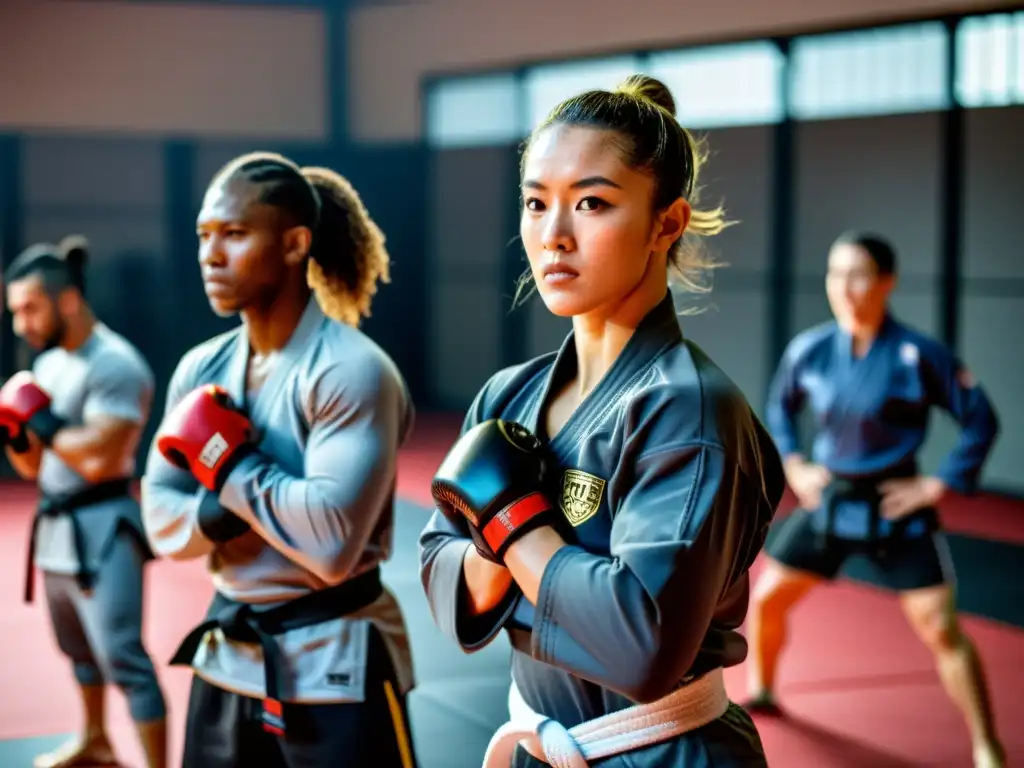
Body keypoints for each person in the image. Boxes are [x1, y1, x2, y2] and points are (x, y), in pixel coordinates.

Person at [419, 74, 786, 767]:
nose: (554, 236)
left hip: (663, 751)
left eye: (591, 203)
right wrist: (513, 555)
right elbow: (445, 590)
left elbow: (641, 644)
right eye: (536, 203)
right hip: (541, 743)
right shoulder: (507, 395)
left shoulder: (688, 407)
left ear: (666, 223)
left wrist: (512, 528)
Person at [140, 151, 416, 768]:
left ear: (294, 244)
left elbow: (330, 545)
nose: (211, 255)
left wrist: (229, 466)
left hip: (335, 659)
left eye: (234, 235)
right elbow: (160, 518)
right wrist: (225, 512)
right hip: (229, 655)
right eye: (204, 237)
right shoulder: (201, 367)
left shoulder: (353, 370)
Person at [745, 232, 1005, 768]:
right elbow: (778, 409)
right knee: (768, 599)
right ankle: (764, 688)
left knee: (941, 627)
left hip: (895, 504)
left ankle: (987, 745)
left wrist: (937, 485)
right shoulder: (810, 349)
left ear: (887, 282)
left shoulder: (918, 354)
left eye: (859, 274)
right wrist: (795, 464)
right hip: (830, 501)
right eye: (835, 273)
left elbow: (980, 418)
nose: (845, 287)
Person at [0, 236, 168, 768]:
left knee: (125, 657)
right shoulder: (48, 366)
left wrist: (41, 423)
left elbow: (100, 457)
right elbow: (32, 468)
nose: (20, 324)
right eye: (14, 312)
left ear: (67, 299)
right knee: (78, 651)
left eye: (30, 308)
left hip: (105, 528)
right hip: (55, 526)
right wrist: (16, 432)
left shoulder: (115, 364)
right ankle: (96, 740)